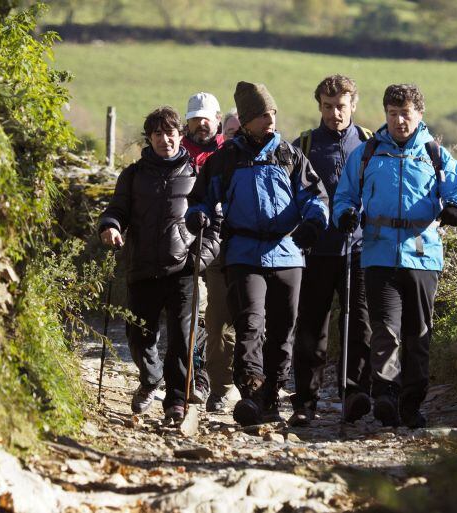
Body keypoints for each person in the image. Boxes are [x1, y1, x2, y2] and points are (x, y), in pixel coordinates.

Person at [333, 84, 457, 428]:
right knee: (385, 329)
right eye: (393, 113)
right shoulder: (367, 154)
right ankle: (386, 395)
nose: (399, 120)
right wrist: (345, 214)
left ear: (419, 115)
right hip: (378, 253)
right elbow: (344, 195)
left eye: (406, 113)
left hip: (422, 255)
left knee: (418, 332)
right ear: (385, 114)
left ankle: (411, 404)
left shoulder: (434, 154)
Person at [186, 81, 329, 426]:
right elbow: (201, 199)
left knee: (283, 331)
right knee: (250, 325)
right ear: (247, 121)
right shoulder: (226, 159)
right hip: (243, 253)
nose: (270, 120)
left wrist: (313, 223)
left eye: (273, 114)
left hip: (288, 253)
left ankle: (270, 397)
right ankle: (251, 392)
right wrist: (198, 215)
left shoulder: (291, 156)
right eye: (263, 115)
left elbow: (316, 198)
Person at [99, 106, 219, 423]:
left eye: (170, 133)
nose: (165, 139)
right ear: (149, 138)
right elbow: (117, 211)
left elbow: (216, 227)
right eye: (157, 134)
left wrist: (198, 259)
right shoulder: (133, 175)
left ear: (181, 135)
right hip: (142, 268)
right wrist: (110, 227)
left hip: (184, 271)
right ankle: (150, 378)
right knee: (139, 336)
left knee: (182, 338)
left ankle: (176, 401)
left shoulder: (198, 176)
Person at [289, 75, 374, 427]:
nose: (334, 113)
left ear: (353, 104)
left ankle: (354, 394)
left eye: (340, 106)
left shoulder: (371, 143)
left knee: (359, 325)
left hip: (360, 248)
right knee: (310, 328)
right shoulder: (304, 145)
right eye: (327, 106)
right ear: (319, 106)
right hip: (316, 250)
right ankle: (305, 401)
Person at [180, 92, 236, 412]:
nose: (201, 123)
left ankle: (219, 382)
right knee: (191, 312)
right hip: (182, 243)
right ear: (187, 121)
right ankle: (196, 376)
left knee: (217, 317)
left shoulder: (228, 154)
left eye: (207, 117)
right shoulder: (177, 152)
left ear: (217, 120)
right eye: (195, 117)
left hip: (219, 244)